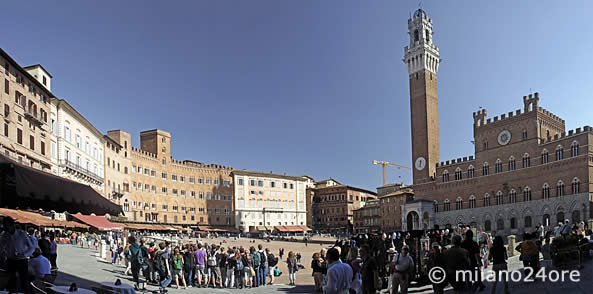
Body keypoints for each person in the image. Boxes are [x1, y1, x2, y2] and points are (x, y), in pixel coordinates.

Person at [0, 217, 35, 293]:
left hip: (22, 260)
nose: (4, 227)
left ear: (12, 225)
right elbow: (1, 247)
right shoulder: (4, 235)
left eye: (6, 225)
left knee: (24, 281)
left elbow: (32, 248)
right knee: (11, 281)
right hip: (10, 260)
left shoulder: (22, 234)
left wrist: (24, 254)